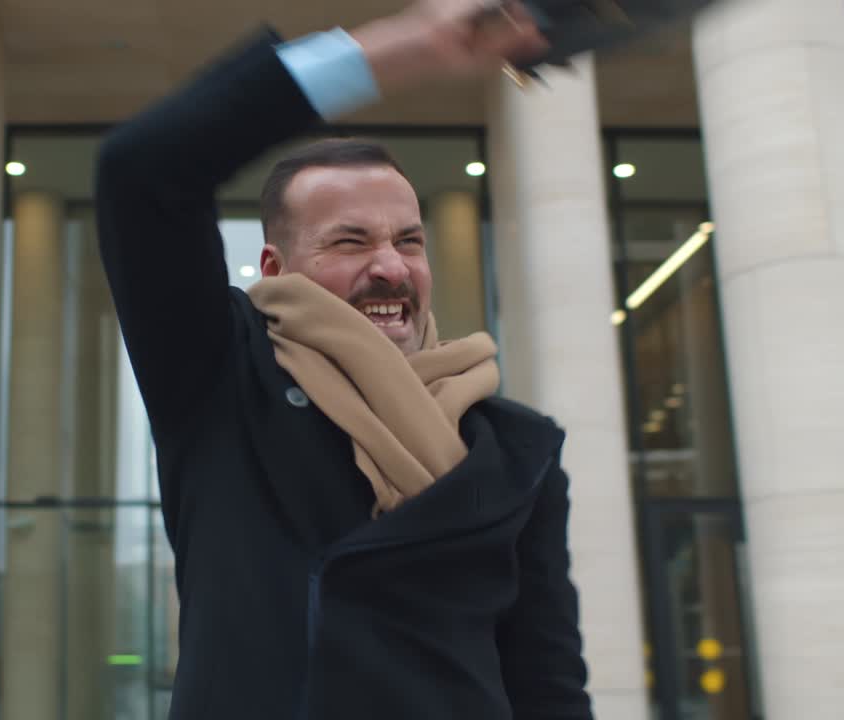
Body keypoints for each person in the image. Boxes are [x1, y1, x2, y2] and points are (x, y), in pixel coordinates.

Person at [96, 2, 592, 718]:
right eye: (350, 242)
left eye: (410, 241)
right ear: (276, 264)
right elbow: (141, 170)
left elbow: (548, 685)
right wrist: (399, 50)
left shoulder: (517, 450)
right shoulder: (220, 379)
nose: (390, 266)